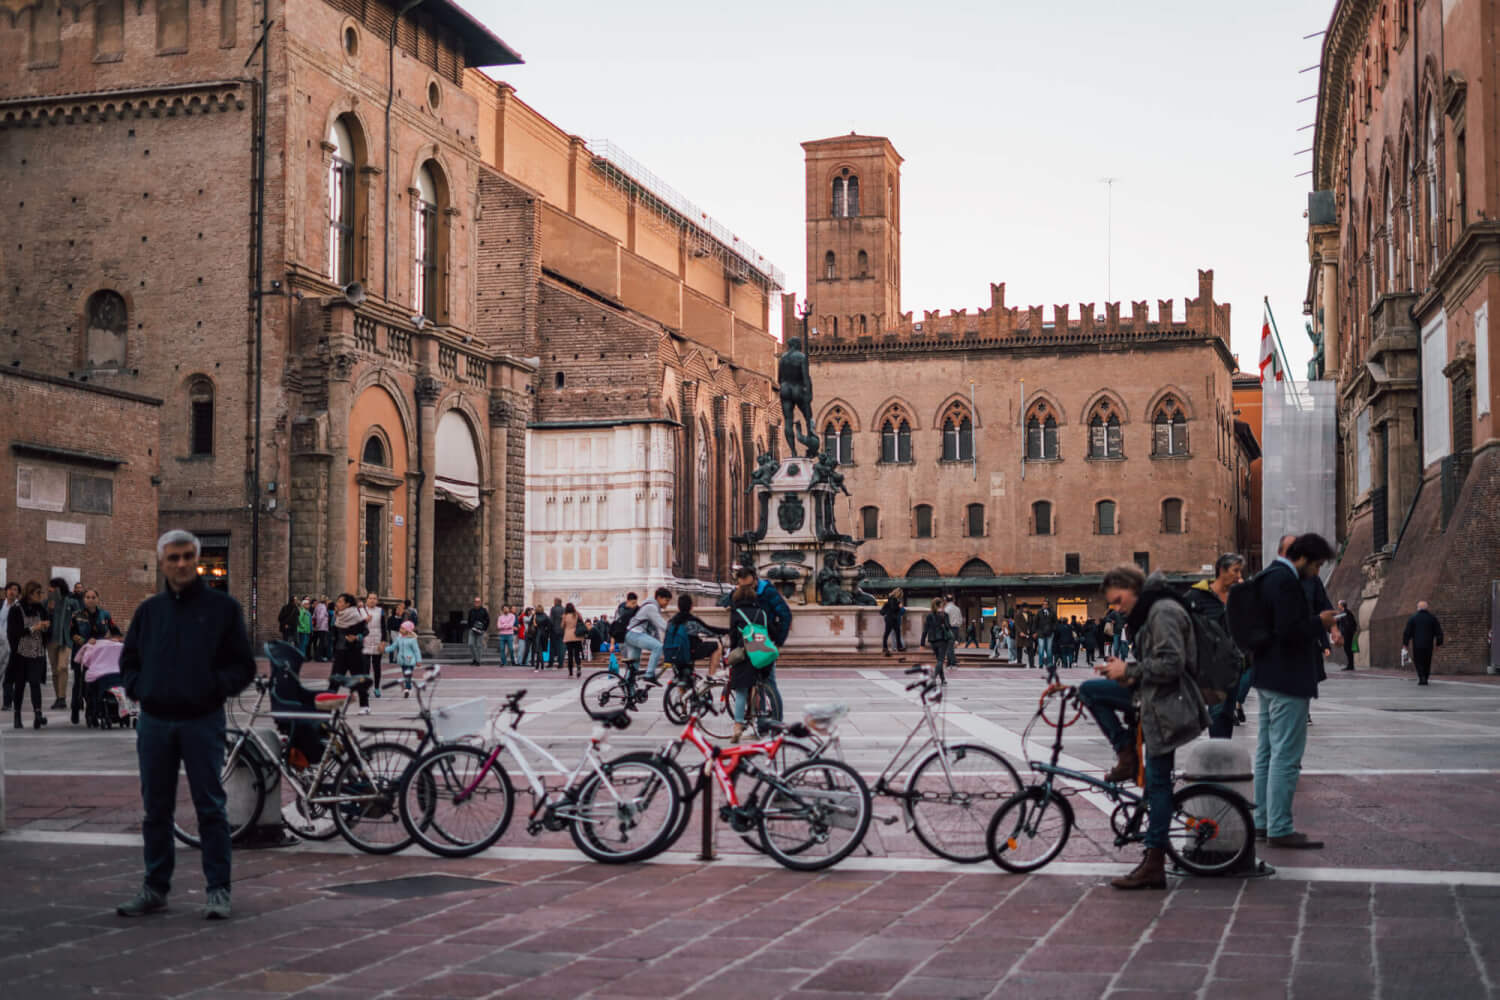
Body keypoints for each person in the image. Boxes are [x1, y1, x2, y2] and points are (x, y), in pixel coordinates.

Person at [116, 529, 256, 920]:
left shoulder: (222, 609)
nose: (180, 564)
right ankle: (155, 888)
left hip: (201, 720)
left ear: (196, 559)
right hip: (155, 722)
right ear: (162, 563)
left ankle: (218, 890)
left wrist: (212, 688)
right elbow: (129, 662)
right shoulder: (149, 612)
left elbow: (242, 666)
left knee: (210, 806)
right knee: (155, 810)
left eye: (187, 556)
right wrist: (139, 688)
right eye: (173, 557)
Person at [1080, 564, 1209, 891]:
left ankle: (1154, 864)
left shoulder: (1163, 611)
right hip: (1152, 698)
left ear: (1132, 588)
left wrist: (1130, 669)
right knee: (1091, 690)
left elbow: (1171, 663)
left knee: (1158, 785)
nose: (1118, 608)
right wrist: (1124, 672)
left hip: (1167, 706)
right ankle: (1126, 754)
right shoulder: (1151, 610)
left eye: (1119, 601)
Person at [1252, 532, 1338, 849]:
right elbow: (1290, 632)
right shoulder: (1286, 582)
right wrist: (1320, 621)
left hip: (1267, 674)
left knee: (1265, 753)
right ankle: (1279, 826)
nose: (1316, 573)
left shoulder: (1265, 577)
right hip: (1288, 677)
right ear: (1302, 558)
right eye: (1316, 565)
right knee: (1286, 755)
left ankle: (1262, 821)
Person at [1185, 553, 1247, 739]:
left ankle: (1223, 751)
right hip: (1211, 667)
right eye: (1235, 571)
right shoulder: (1197, 596)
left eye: (1240, 571)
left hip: (1235, 665)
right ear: (1221, 570)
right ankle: (1218, 753)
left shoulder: (1238, 596)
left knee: (1227, 713)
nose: (1238, 576)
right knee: (1218, 712)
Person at [732, 564, 791, 711]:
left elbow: (785, 615)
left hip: (763, 643)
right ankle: (761, 720)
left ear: (755, 580)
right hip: (746, 645)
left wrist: (778, 641)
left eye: (748, 586)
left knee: (769, 684)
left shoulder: (767, 592)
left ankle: (776, 720)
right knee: (753, 685)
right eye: (742, 586)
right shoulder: (740, 593)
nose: (745, 590)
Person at [724, 582, 769, 742]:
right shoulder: (762, 613)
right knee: (757, 687)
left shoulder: (736, 613)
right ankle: (757, 722)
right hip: (760, 652)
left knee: (741, 691)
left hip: (743, 654)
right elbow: (765, 633)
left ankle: (737, 725)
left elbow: (733, 636)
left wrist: (731, 653)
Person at [8, 581, 52, 729]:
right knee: (19, 684)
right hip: (20, 653)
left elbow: (47, 631)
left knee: (35, 683)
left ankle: (38, 715)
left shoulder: (41, 609)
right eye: (38, 593)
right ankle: (17, 715)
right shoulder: (16, 609)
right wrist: (34, 628)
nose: (41, 596)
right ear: (30, 593)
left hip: (37, 652)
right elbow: (14, 632)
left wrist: (46, 627)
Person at [69, 588, 113, 724]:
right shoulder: (76, 615)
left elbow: (115, 631)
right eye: (87, 597)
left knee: (93, 683)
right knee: (79, 683)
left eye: (93, 597)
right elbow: (72, 634)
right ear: (84, 599)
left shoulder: (105, 615)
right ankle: (75, 709)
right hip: (80, 654)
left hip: (98, 656)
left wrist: (114, 638)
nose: (90, 599)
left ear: (98, 599)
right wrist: (85, 641)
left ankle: (92, 712)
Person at [666, 594, 727, 677]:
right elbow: (710, 631)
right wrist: (727, 631)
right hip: (689, 652)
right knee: (717, 646)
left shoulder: (671, 621)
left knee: (682, 678)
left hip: (672, 653)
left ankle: (681, 687)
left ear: (678, 607)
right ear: (691, 606)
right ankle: (711, 675)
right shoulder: (692, 620)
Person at [329, 594, 371, 714]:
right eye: (338, 601)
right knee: (334, 680)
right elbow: (335, 634)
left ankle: (365, 706)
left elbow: (365, 631)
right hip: (340, 652)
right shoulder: (338, 617)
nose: (338, 603)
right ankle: (327, 706)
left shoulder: (356, 616)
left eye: (341, 602)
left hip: (354, 653)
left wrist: (357, 637)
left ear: (348, 604)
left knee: (359, 679)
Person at [79, 621, 126, 726]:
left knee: (91, 690)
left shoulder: (95, 646)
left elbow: (86, 661)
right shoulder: (122, 646)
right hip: (119, 677)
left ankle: (94, 713)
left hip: (101, 677)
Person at [46, 577, 81, 711]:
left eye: (52, 587)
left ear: (59, 588)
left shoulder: (72, 602)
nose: (50, 590)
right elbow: (43, 617)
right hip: (51, 640)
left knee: (62, 667)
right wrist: (49, 610)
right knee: (55, 671)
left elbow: (79, 617)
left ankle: (62, 698)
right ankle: (58, 698)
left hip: (66, 640)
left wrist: (74, 620)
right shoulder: (48, 602)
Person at [625, 588, 673, 682]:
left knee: (634, 668)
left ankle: (629, 692)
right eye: (666, 600)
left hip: (631, 634)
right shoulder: (651, 607)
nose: (667, 603)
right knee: (658, 647)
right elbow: (662, 625)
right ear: (659, 598)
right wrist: (676, 632)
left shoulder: (650, 606)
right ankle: (649, 675)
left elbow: (655, 629)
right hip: (635, 634)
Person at [1402, 601, 1444, 685]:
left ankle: (1422, 677)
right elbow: (1439, 632)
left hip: (1417, 644)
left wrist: (1405, 644)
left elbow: (1407, 632)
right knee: (1427, 661)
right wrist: (1438, 643)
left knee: (1418, 661)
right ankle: (1426, 676)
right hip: (1428, 644)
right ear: (1427, 608)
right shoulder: (1432, 618)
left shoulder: (1413, 618)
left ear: (1418, 608)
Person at [920, 598, 955, 683]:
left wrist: (922, 643)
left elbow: (925, 630)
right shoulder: (944, 614)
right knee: (940, 660)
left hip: (932, 640)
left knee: (939, 660)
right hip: (942, 640)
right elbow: (947, 627)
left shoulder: (929, 615)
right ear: (940, 605)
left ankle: (943, 679)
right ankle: (933, 677)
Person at [385, 620, 422, 697]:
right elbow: (393, 647)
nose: (400, 630)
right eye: (400, 628)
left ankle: (407, 689)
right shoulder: (399, 638)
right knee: (405, 675)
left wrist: (418, 660)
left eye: (402, 628)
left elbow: (416, 651)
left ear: (408, 630)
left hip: (410, 660)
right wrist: (384, 649)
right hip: (402, 660)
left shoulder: (412, 640)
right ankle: (408, 687)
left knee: (407, 675)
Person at [360, 593, 385, 697]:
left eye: (375, 598)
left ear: (377, 601)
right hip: (365, 640)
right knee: (365, 666)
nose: (372, 600)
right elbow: (355, 625)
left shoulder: (380, 611)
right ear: (367, 600)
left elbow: (384, 627)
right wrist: (364, 621)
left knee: (377, 666)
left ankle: (377, 687)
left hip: (377, 639)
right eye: (370, 598)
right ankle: (366, 688)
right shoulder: (361, 611)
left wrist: (383, 641)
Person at [0, 581, 17, 712]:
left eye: (15, 589)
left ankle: (7, 703)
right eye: (10, 589)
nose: (12, 591)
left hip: (12, 646)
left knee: (8, 676)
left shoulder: (19, 607)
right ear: (6, 591)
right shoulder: (1, 605)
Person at [465, 596, 489, 666]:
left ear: (480, 603)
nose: (477, 603)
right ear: (474, 602)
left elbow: (487, 620)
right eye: (475, 601)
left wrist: (484, 629)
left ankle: (477, 661)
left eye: (478, 602)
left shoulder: (484, 610)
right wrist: (470, 627)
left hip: (480, 630)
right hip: (472, 630)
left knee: (479, 646)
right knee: (471, 644)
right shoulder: (471, 611)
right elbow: (469, 620)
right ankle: (475, 659)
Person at [561, 602, 584, 677]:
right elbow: (582, 621)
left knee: (570, 654)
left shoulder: (565, 616)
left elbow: (562, 626)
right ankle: (578, 667)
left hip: (568, 636)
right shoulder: (576, 615)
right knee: (577, 654)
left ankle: (570, 672)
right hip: (577, 636)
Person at [881, 589, 906, 656]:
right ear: (898, 594)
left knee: (892, 634)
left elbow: (883, 611)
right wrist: (899, 606)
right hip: (892, 619)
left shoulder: (890, 600)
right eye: (900, 595)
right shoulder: (894, 600)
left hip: (890, 619)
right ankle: (897, 647)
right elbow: (894, 608)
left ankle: (886, 647)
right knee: (891, 633)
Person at [1333, 600, 1357, 671]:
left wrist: (1345, 632)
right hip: (1347, 633)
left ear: (1341, 605)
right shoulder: (1345, 612)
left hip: (1347, 634)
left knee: (1348, 649)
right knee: (1347, 649)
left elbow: (1347, 624)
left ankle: (1350, 666)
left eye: (1339, 605)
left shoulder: (1346, 612)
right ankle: (1350, 665)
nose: (1338, 606)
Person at [943, 595, 963, 672]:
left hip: (949, 628)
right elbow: (961, 619)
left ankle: (952, 663)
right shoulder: (957, 609)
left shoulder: (946, 609)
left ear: (946, 601)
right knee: (951, 646)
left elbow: (945, 621)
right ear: (953, 600)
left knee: (949, 646)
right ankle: (950, 663)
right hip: (956, 628)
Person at [548, 598, 566, 672]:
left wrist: (549, 629)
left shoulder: (553, 609)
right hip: (562, 631)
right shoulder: (564, 609)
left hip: (554, 631)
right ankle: (560, 663)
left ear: (556, 602)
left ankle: (551, 662)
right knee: (561, 647)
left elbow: (551, 620)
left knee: (552, 647)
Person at [311, 597, 330, 662]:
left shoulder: (317, 607)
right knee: (322, 643)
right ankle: (318, 657)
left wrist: (316, 626)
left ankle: (318, 656)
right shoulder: (323, 607)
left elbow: (313, 616)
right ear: (325, 602)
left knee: (320, 643)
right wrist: (318, 626)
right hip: (322, 627)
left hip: (319, 628)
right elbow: (320, 617)